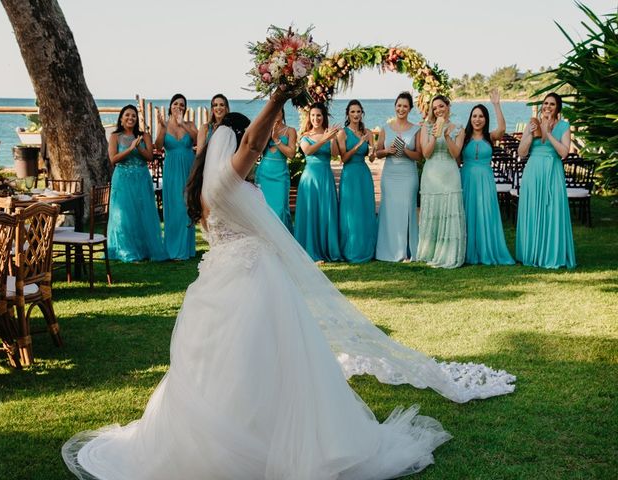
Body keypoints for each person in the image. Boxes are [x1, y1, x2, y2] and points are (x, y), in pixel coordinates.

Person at [63, 90, 515, 480]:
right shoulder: (225, 183)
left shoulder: (204, 188)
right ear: (235, 147)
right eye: (246, 148)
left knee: (234, 364)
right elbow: (256, 140)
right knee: (258, 358)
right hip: (248, 282)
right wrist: (278, 95)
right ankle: (259, 445)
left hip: (220, 281)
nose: (253, 154)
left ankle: (249, 434)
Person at [516, 92, 576, 268]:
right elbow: (521, 152)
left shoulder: (564, 126)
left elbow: (564, 152)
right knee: (533, 208)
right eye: (545, 103)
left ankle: (551, 253)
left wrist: (548, 133)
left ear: (557, 108)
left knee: (552, 210)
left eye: (552, 104)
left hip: (552, 171)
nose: (547, 107)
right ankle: (531, 252)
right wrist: (531, 135)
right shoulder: (533, 124)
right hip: (533, 171)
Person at [460, 90, 515, 265]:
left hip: (485, 180)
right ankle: (467, 250)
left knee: (484, 213)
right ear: (470, 118)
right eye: (474, 116)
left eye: (481, 116)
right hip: (466, 178)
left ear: (485, 119)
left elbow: (502, 129)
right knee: (467, 213)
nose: (477, 119)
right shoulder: (464, 137)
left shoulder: (490, 137)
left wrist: (496, 105)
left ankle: (486, 249)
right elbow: (455, 157)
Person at [106, 105, 167, 262]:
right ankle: (125, 250)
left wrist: (138, 146)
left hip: (141, 178)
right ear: (121, 118)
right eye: (127, 115)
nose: (130, 118)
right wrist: (130, 148)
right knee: (123, 215)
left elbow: (149, 157)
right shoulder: (114, 136)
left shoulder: (144, 136)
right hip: (122, 178)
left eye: (133, 115)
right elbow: (113, 159)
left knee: (142, 213)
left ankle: (144, 248)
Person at [417, 95, 466, 269]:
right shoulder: (426, 127)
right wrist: (432, 135)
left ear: (448, 107)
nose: (438, 110)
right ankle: (430, 251)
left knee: (449, 210)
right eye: (435, 108)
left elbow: (455, 154)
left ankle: (449, 253)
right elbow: (426, 154)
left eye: (441, 106)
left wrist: (446, 136)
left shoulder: (458, 128)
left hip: (450, 173)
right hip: (431, 173)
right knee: (433, 211)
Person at [375, 92, 422, 262]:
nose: (401, 109)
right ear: (395, 106)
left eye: (405, 106)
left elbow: (419, 155)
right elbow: (377, 153)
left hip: (408, 174)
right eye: (399, 105)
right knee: (390, 210)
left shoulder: (416, 129)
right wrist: (387, 151)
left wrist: (404, 150)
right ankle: (389, 250)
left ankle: (407, 251)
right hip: (389, 175)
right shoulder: (385, 128)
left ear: (410, 109)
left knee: (407, 210)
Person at [294, 102, 342, 263]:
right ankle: (310, 251)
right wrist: (324, 139)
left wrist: (333, 139)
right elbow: (307, 150)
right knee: (311, 212)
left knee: (325, 212)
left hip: (325, 177)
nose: (316, 118)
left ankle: (327, 249)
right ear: (309, 117)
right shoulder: (305, 135)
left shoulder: (329, 133)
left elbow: (335, 154)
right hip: (310, 178)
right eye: (313, 115)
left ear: (324, 117)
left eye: (319, 115)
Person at [155, 94, 198, 260]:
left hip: (188, 169)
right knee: (174, 208)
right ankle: (173, 248)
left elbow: (197, 140)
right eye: (175, 104)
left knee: (187, 207)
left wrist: (183, 125)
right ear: (170, 107)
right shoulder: (163, 125)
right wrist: (161, 128)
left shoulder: (190, 124)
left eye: (182, 104)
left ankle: (186, 249)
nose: (178, 106)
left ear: (185, 108)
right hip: (172, 170)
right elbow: (158, 146)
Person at [336, 100, 377, 263]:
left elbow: (372, 158)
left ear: (362, 113)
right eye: (352, 112)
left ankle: (367, 248)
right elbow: (344, 158)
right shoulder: (342, 133)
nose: (356, 115)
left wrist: (372, 149)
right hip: (350, 174)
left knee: (365, 210)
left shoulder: (367, 132)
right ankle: (351, 250)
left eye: (358, 112)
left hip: (363, 174)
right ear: (348, 114)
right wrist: (359, 144)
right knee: (351, 212)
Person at [254, 108, 296, 231]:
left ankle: (282, 244)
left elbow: (291, 154)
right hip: (264, 174)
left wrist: (276, 139)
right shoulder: (265, 130)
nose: (276, 113)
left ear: (283, 112)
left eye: (279, 110)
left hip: (280, 175)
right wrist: (266, 133)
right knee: (264, 210)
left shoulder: (290, 131)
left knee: (281, 210)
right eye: (274, 110)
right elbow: (257, 151)